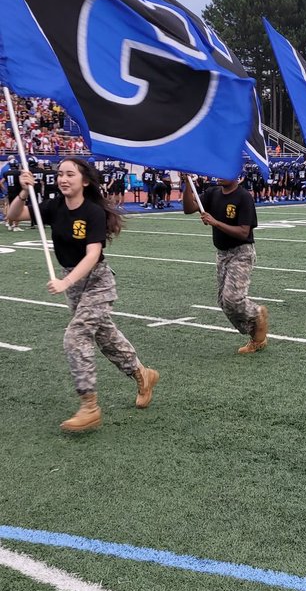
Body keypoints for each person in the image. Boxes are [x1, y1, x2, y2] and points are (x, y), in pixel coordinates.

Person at [7, 157, 159, 433]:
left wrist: (66, 282)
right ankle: (142, 374)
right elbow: (13, 216)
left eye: (70, 174)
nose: (63, 179)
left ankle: (89, 407)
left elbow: (93, 255)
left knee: (76, 336)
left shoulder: (92, 212)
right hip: (75, 285)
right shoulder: (54, 206)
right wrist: (22, 192)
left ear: (85, 180)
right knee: (106, 338)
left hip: (97, 282)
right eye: (60, 174)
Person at [183, 174, 269, 354]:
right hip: (222, 254)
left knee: (233, 298)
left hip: (241, 252)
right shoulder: (213, 193)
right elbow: (189, 208)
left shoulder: (243, 197)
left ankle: (257, 313)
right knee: (223, 302)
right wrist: (187, 184)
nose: (219, 175)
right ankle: (256, 336)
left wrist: (215, 222)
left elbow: (244, 232)